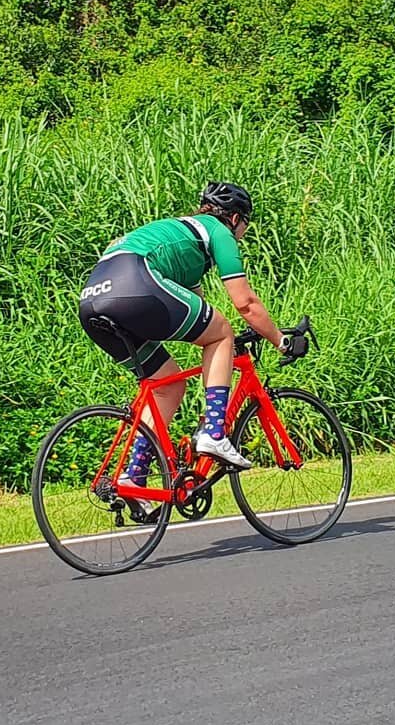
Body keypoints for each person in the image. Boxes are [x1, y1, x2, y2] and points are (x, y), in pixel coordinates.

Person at [78, 181, 307, 496]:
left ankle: (134, 479)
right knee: (221, 332)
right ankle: (214, 432)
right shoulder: (219, 231)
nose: (242, 234)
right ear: (236, 219)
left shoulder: (183, 240)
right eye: (245, 226)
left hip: (93, 300)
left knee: (169, 384)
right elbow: (245, 304)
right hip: (135, 281)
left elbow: (196, 314)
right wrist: (281, 340)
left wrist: (224, 347)